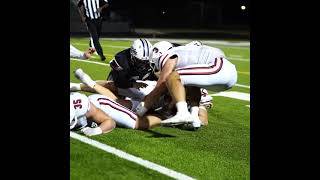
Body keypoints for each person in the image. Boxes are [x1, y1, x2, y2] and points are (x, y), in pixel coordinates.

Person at [136, 41, 237, 125]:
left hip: (220, 68)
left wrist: (142, 110)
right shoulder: (184, 54)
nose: (157, 70)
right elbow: (194, 87)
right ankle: (194, 118)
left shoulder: (168, 55)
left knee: (171, 77)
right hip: (227, 74)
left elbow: (162, 82)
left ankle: (182, 113)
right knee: (191, 84)